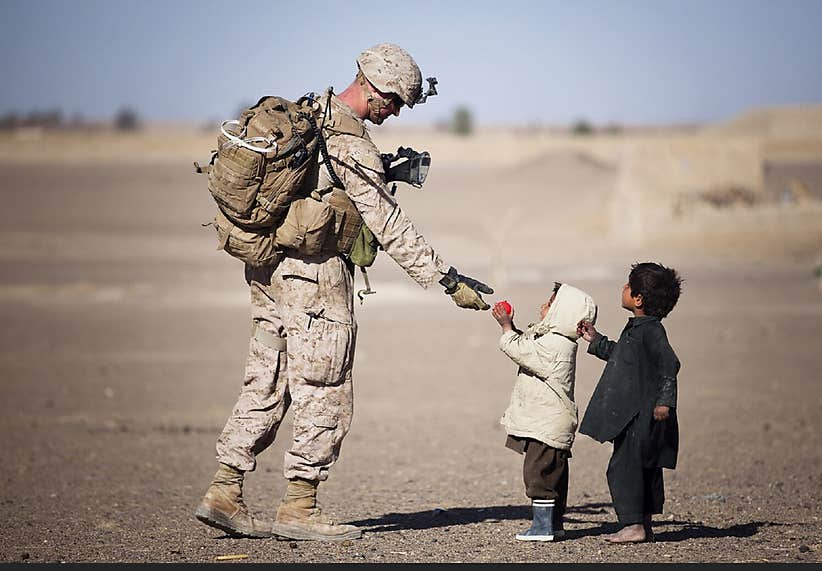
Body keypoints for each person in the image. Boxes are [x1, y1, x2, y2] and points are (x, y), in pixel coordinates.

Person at [196, 43, 494, 542]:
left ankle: (224, 490)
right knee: (325, 387)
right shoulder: (350, 142)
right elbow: (390, 224)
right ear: (374, 87)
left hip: (269, 271)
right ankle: (299, 507)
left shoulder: (312, 114)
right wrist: (446, 278)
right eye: (395, 101)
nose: (395, 112)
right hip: (314, 278)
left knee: (266, 378)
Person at [578, 263, 682, 544]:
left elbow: (669, 364)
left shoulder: (651, 332)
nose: (623, 288)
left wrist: (665, 402)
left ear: (638, 299)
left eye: (628, 285)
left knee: (625, 468)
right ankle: (643, 525)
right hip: (635, 414)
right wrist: (596, 340)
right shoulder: (638, 328)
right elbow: (621, 356)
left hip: (642, 415)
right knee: (643, 467)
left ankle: (633, 525)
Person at [491, 283, 597, 541]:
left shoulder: (556, 345)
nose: (543, 307)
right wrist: (512, 327)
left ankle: (542, 527)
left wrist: (506, 328)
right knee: (553, 475)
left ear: (563, 313)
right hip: (548, 421)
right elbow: (527, 343)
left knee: (538, 474)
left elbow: (520, 350)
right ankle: (554, 525)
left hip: (547, 424)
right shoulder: (552, 339)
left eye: (550, 304)